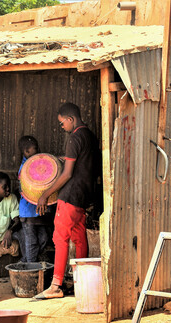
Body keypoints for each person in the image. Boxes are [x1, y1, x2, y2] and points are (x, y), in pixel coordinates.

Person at [33, 103, 99, 300]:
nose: (62, 127)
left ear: (71, 119)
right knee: (79, 238)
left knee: (60, 238)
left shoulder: (75, 137)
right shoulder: (90, 136)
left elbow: (67, 173)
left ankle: (55, 285)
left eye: (62, 123)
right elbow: (84, 164)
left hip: (70, 196)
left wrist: (45, 194)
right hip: (83, 196)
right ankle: (82, 281)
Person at [16, 136, 48, 263]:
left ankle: (24, 262)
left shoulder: (37, 164)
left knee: (44, 238)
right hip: (28, 211)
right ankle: (30, 268)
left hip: (38, 211)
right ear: (26, 152)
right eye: (35, 148)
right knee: (32, 242)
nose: (38, 150)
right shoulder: (25, 168)